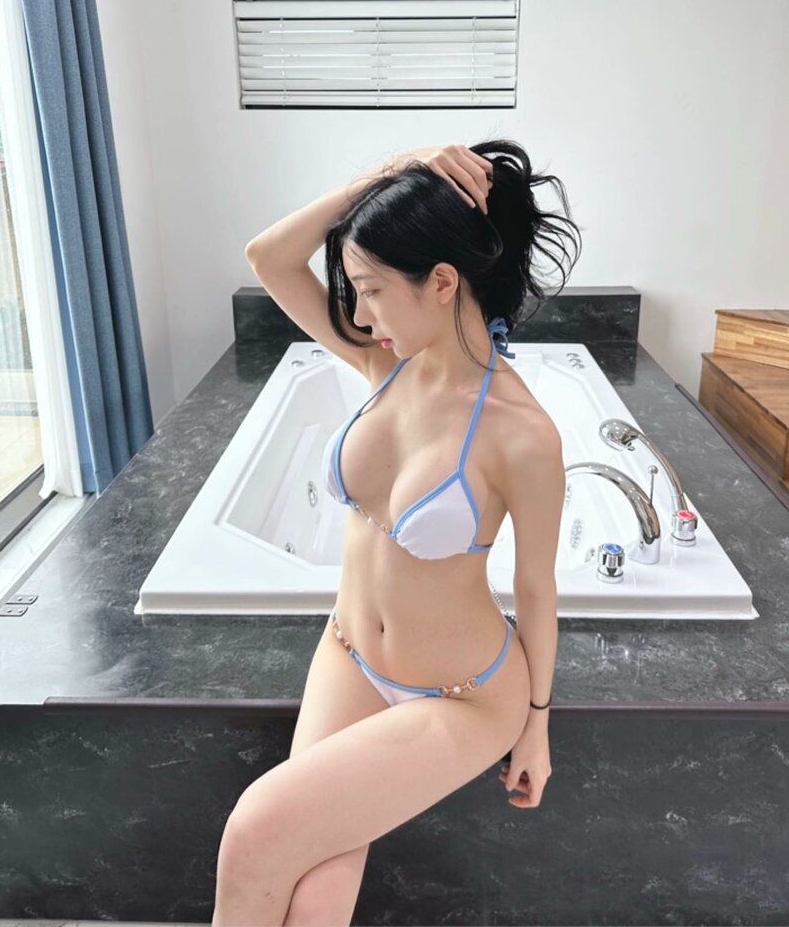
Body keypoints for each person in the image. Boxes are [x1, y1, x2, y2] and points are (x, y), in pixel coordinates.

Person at [213, 140, 582, 926]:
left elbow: (536, 589)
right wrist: (388, 174)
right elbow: (268, 257)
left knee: (254, 829)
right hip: (348, 653)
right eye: (353, 292)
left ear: (442, 282)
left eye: (373, 291)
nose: (359, 315)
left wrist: (537, 728)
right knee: (315, 898)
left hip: (461, 696)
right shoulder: (385, 362)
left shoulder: (522, 433)